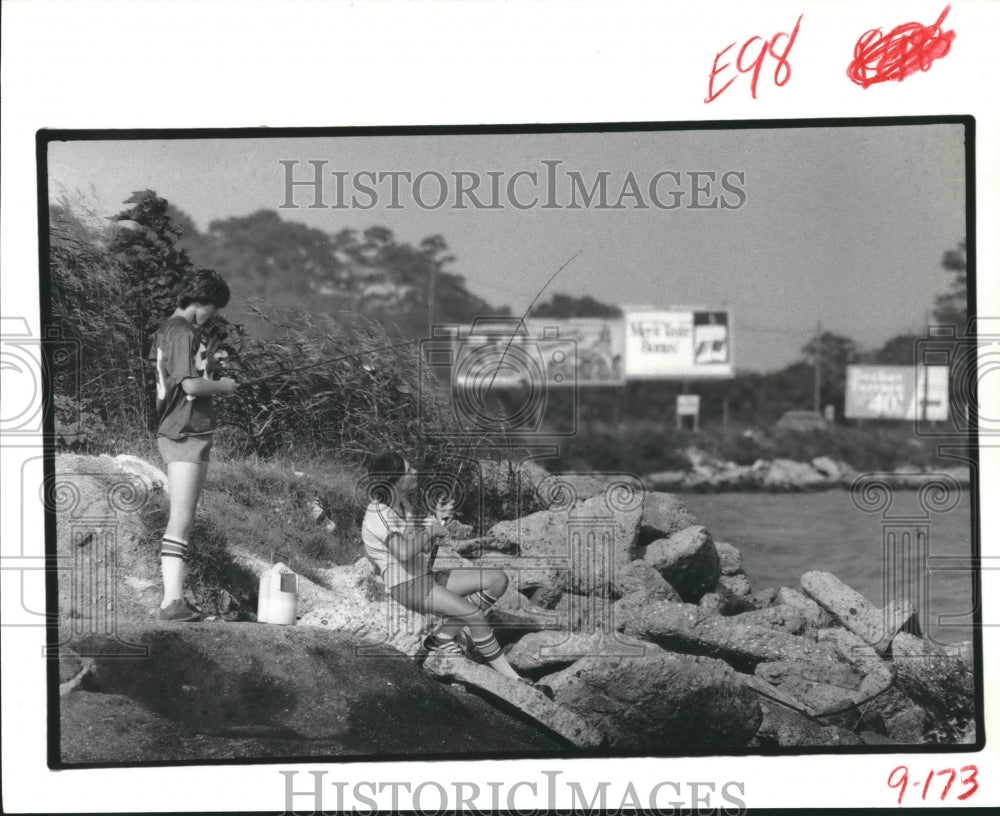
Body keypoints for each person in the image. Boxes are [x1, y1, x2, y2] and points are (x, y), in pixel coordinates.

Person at [362, 452, 522, 679]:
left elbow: (424, 549)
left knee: (497, 580)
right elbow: (404, 552)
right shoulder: (378, 514)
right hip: (406, 586)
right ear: (395, 480)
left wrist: (437, 522)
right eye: (408, 471)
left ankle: (441, 638)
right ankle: (515, 681)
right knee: (474, 615)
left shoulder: (403, 505)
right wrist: (430, 531)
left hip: (424, 577)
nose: (415, 472)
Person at [151, 269, 238, 621]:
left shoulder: (171, 331)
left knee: (185, 518)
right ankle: (172, 602)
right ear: (200, 302)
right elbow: (189, 387)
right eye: (213, 308)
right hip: (183, 431)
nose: (213, 315)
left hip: (190, 430)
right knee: (181, 518)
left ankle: (176, 600)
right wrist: (225, 386)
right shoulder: (183, 331)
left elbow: (186, 373)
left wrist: (213, 367)